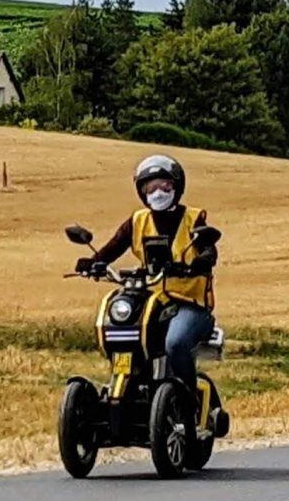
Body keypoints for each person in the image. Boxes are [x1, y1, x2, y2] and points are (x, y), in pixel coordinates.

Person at [77, 154, 218, 403]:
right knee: (125, 332)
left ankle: (188, 397)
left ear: (177, 187)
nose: (158, 193)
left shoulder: (193, 218)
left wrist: (201, 261)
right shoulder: (138, 220)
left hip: (190, 304)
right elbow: (114, 247)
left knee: (175, 343)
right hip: (154, 300)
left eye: (164, 186)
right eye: (150, 188)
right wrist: (94, 263)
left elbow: (209, 249)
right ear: (142, 192)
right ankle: (133, 388)